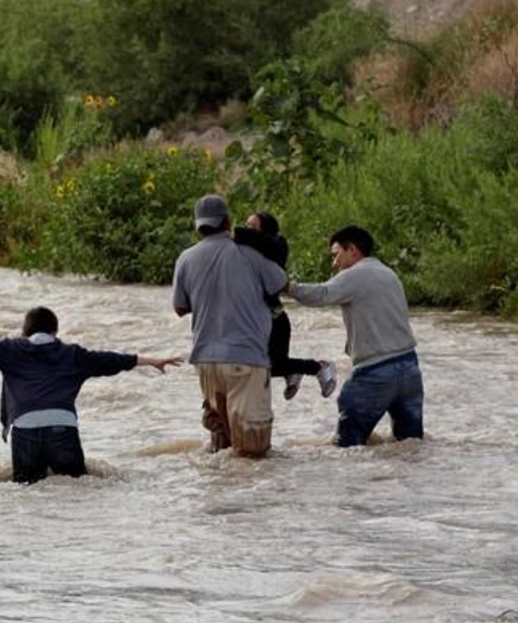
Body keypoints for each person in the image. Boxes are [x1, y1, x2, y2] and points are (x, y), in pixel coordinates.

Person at [0, 306, 182, 484]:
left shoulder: (10, 349)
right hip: (62, 426)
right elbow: (111, 360)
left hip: (25, 427)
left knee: (26, 491)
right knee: (75, 486)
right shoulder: (72, 354)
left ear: (25, 331)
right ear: (54, 331)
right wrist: (151, 361)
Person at [172, 194, 288, 456]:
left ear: (198, 225)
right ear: (227, 221)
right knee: (252, 453)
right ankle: (253, 498)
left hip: (205, 363)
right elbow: (280, 283)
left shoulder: (186, 259)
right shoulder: (249, 254)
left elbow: (180, 307)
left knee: (221, 444)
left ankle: (222, 497)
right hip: (246, 360)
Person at [287, 225, 424, 447]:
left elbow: (321, 295)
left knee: (347, 447)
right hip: (409, 368)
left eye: (336, 255)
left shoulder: (355, 275)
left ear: (352, 250)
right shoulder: (389, 273)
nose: (334, 263)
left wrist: (285, 287)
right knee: (409, 444)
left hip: (375, 372)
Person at [234, 211, 338, 400]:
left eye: (252, 227)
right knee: (256, 367)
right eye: (246, 225)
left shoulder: (275, 247)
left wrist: (232, 233)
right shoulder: (249, 252)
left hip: (275, 321)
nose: (246, 230)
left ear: (266, 231)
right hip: (262, 321)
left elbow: (260, 241)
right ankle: (292, 371)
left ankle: (319, 367)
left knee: (267, 367)